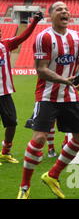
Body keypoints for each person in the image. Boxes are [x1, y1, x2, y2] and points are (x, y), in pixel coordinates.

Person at [17, 1, 79, 199]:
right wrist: (64, 80)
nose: (64, 11)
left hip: (70, 95)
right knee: (39, 138)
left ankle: (53, 175)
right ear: (51, 16)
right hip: (47, 95)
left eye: (66, 9)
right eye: (59, 9)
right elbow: (41, 69)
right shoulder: (44, 37)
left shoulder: (77, 36)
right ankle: (24, 187)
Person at [0, 11, 43, 166]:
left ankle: (5, 152)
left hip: (4, 93)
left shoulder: (5, 45)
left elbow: (23, 36)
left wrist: (34, 22)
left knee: (11, 123)